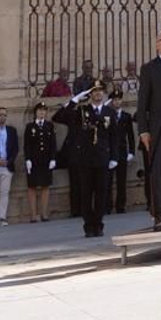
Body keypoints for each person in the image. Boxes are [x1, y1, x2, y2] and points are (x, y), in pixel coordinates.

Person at [56, 82, 118, 237]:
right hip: (85, 159)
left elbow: (114, 136)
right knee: (86, 193)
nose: (97, 94)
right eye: (94, 91)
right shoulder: (82, 111)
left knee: (101, 193)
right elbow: (59, 117)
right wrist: (74, 100)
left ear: (103, 93)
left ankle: (99, 224)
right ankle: (88, 225)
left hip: (103, 158)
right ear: (90, 94)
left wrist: (114, 157)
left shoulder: (109, 112)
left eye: (100, 91)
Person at [137, 29, 161, 231]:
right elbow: (142, 103)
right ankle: (159, 214)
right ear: (157, 44)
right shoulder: (149, 69)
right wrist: (143, 130)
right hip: (158, 128)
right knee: (159, 174)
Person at [23, 102, 58, 222]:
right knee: (32, 186)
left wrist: (53, 158)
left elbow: (53, 143)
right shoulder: (30, 127)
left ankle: (44, 213)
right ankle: (33, 214)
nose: (42, 112)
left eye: (44, 110)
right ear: (35, 112)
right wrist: (27, 159)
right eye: (40, 110)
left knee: (45, 186)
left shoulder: (49, 126)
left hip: (46, 161)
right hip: (34, 161)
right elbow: (27, 145)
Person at [110, 88, 139, 215]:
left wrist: (131, 151)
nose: (117, 102)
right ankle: (108, 205)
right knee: (108, 181)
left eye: (118, 100)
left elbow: (130, 135)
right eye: (114, 100)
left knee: (122, 181)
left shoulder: (126, 116)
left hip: (122, 151)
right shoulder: (108, 114)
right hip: (111, 152)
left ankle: (121, 205)